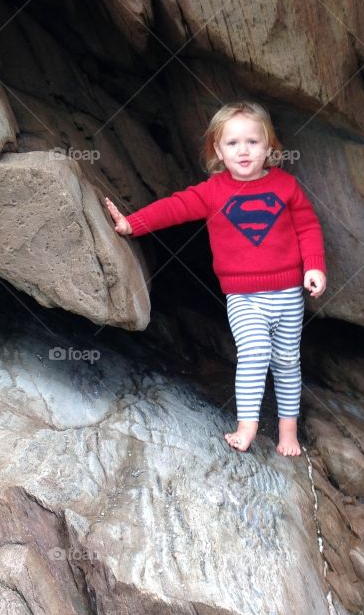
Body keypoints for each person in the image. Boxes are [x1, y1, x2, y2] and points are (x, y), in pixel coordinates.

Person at [104, 101, 327, 456]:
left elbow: (308, 227)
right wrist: (133, 223)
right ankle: (247, 426)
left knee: (286, 362)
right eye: (233, 143)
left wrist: (314, 265)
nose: (243, 150)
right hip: (245, 298)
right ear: (218, 151)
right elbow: (174, 208)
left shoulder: (286, 187)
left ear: (269, 147)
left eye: (253, 142)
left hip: (288, 295)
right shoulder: (213, 191)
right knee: (254, 353)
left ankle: (288, 432)